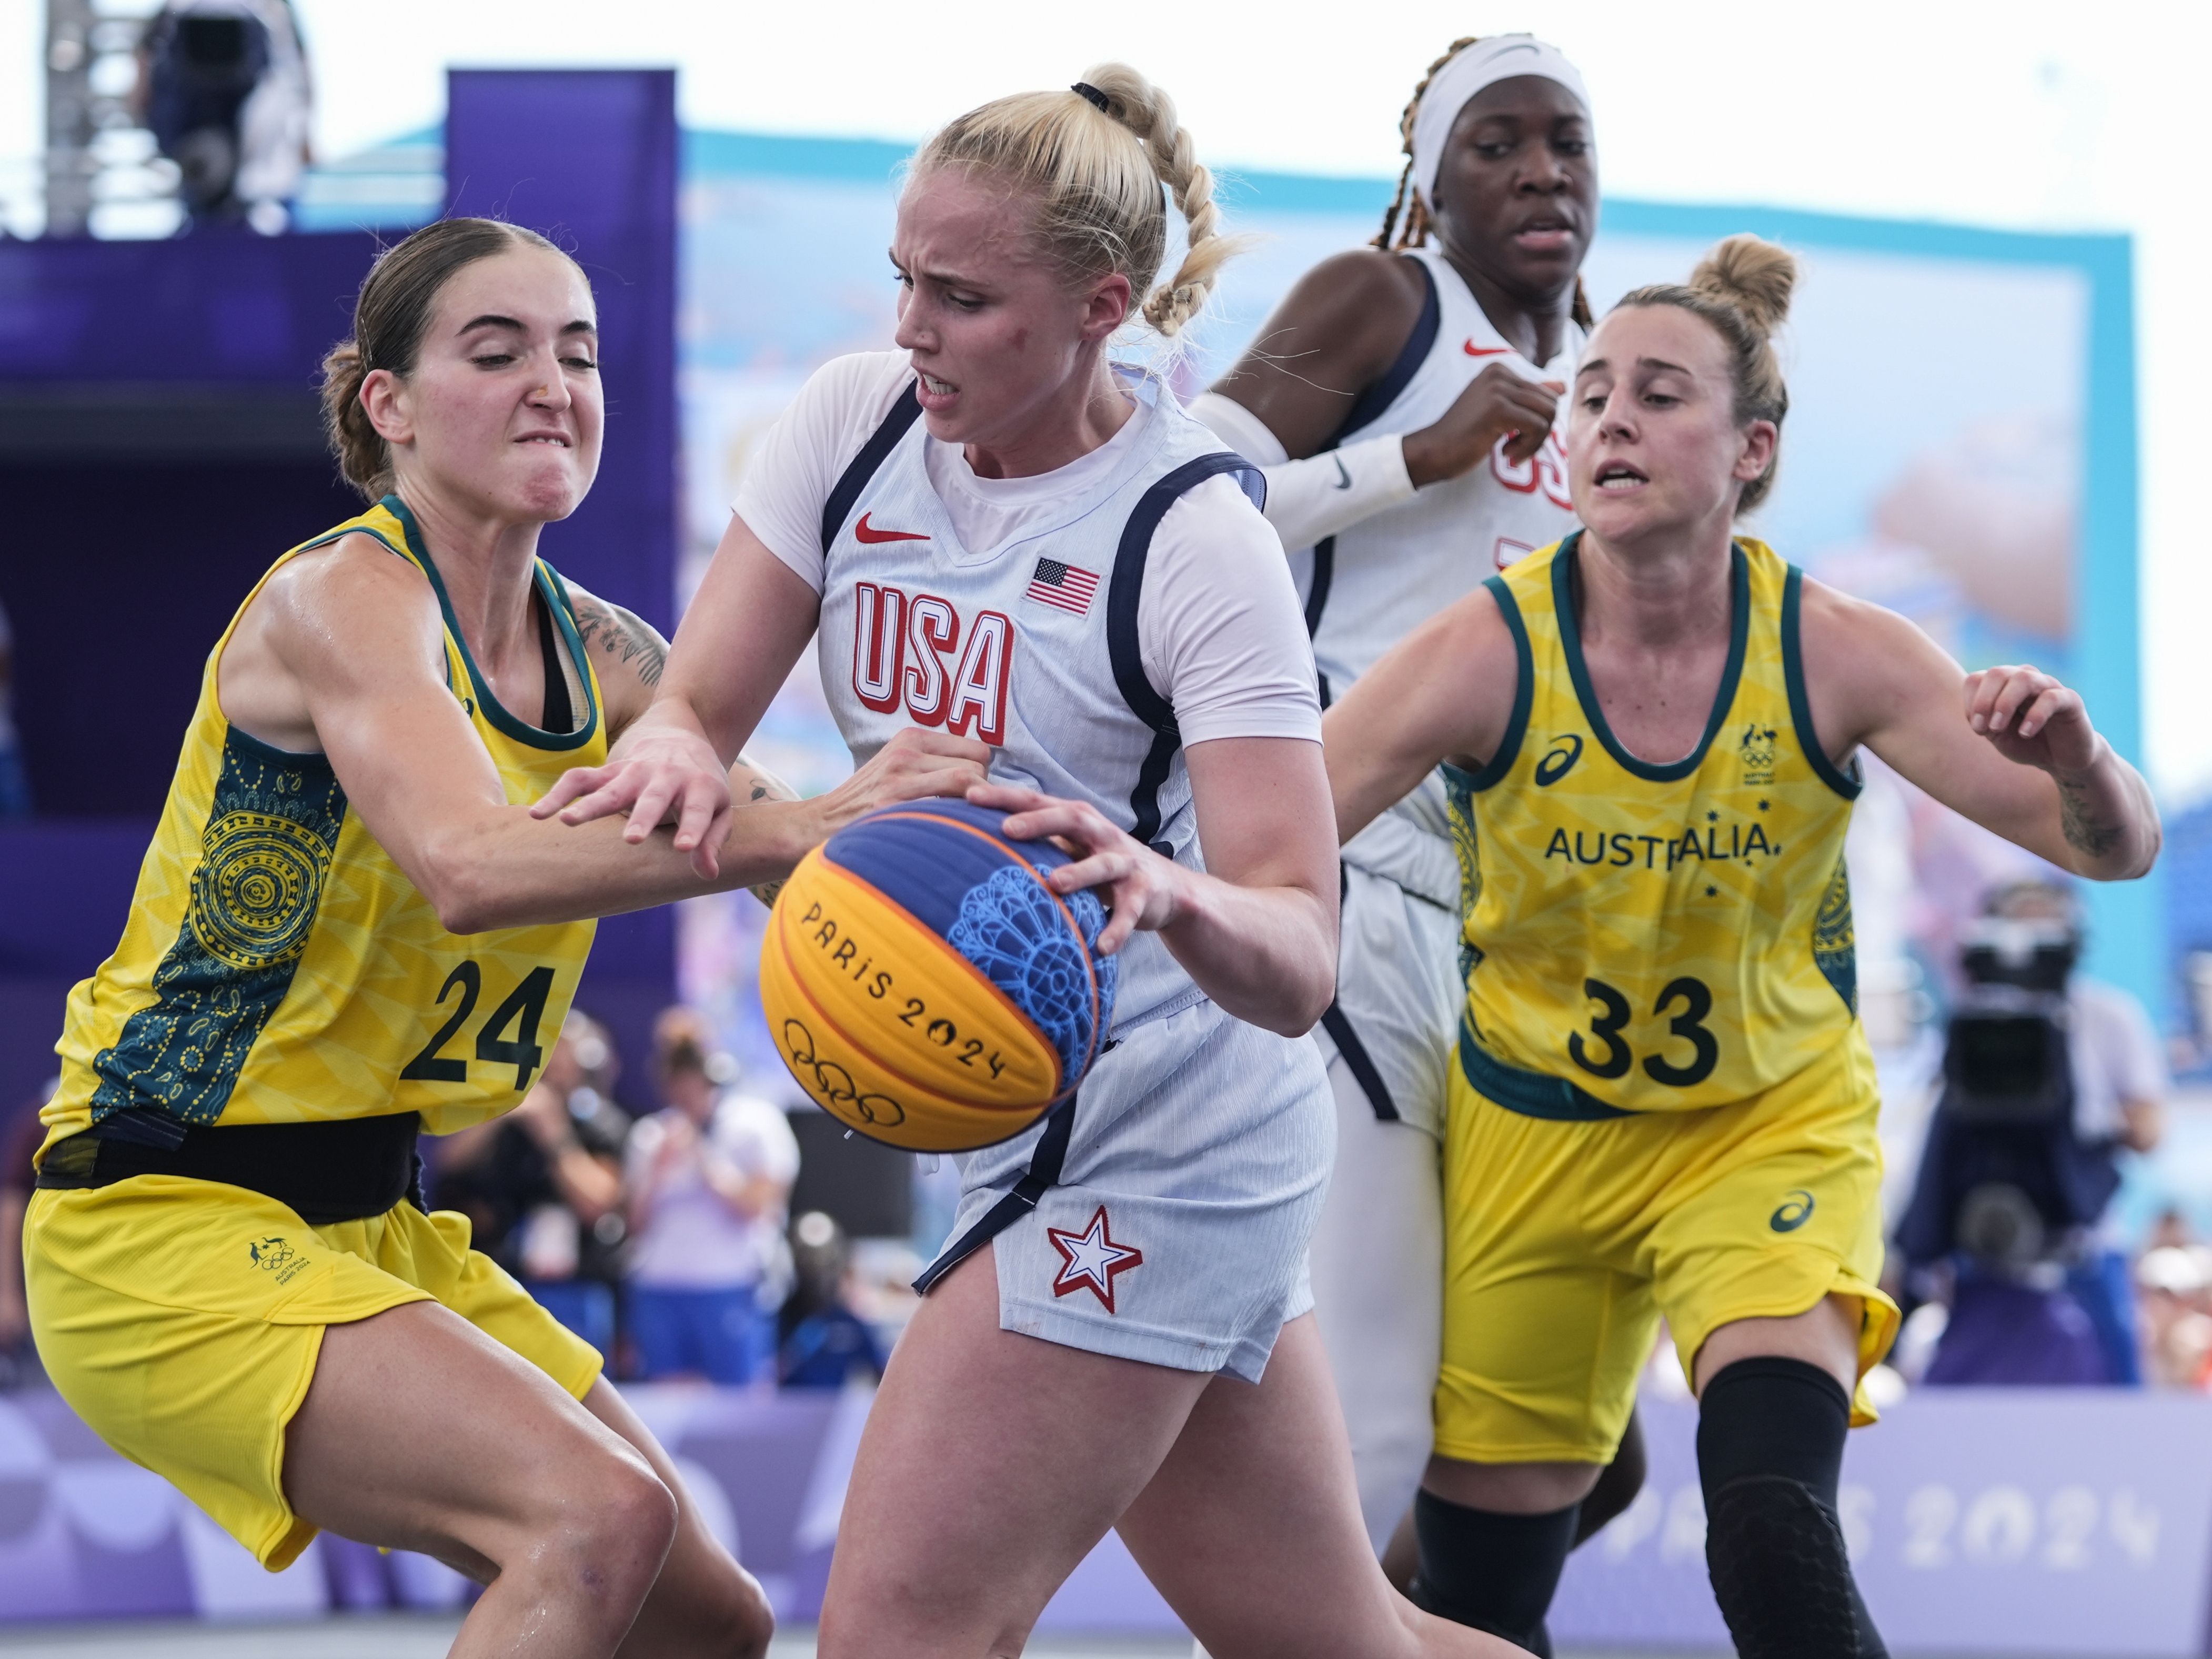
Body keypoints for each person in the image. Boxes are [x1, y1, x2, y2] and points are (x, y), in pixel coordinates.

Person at [539, 64, 1524, 1659]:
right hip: (1024, 1107)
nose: (913, 325)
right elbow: (700, 709)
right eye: (903, 280)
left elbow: (1298, 949)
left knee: (899, 1635)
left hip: (1160, 1133)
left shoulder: (1195, 538)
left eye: (962, 295)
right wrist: (664, 746)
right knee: (1347, 1648)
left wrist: (1166, 883)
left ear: (1098, 306)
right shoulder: (854, 428)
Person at [22, 216, 989, 1659]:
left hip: (375, 1219)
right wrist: (795, 831)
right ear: (388, 407)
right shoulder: (342, 595)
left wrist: (1017, 887)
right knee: (590, 1517)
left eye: (578, 352)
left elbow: (810, 860)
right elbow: (472, 865)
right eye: (497, 349)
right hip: (163, 1219)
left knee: (704, 1619)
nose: (555, 381)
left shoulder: (601, 653)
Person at [1322, 234, 2160, 1656]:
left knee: (1769, 1526)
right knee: (1472, 1609)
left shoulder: (1835, 649)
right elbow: (1264, 830)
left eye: (1655, 395)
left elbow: (2111, 842)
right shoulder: (1487, 650)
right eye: (1590, 396)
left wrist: (2077, 756)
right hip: (1533, 1140)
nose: (1607, 422)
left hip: (1759, 1132)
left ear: (1750, 449)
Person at [1187, 32, 1642, 1572]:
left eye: (1566, 143)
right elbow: (1181, 493)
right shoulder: (1386, 303)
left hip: (1523, 936)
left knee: (1581, 1447)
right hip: (1355, 885)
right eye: (1496, 143)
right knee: (1380, 1419)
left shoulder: (1604, 391)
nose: (1540, 171)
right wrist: (1415, 455)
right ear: (1428, 183)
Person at [431, 1009, 632, 1359]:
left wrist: (553, 1135)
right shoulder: (510, 1119)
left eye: (564, 1055)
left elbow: (598, 1201)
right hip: (504, 1279)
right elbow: (449, 1160)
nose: (554, 1066)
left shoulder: (599, 1122)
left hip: (577, 1289)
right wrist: (502, 1113)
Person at [624, 1008, 800, 1385]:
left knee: (736, 1408)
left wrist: (702, 1157)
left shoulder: (756, 1123)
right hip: (660, 1288)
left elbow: (757, 1207)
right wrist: (658, 1170)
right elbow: (633, 1223)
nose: (685, 1089)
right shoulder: (650, 1134)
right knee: (661, 1403)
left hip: (730, 1286)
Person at [777, 1210, 889, 1390]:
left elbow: (884, 1374)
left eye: (824, 1265)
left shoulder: (850, 1324)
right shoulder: (774, 1322)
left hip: (833, 1415)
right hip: (784, 1415)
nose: (817, 1277)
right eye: (808, 1264)